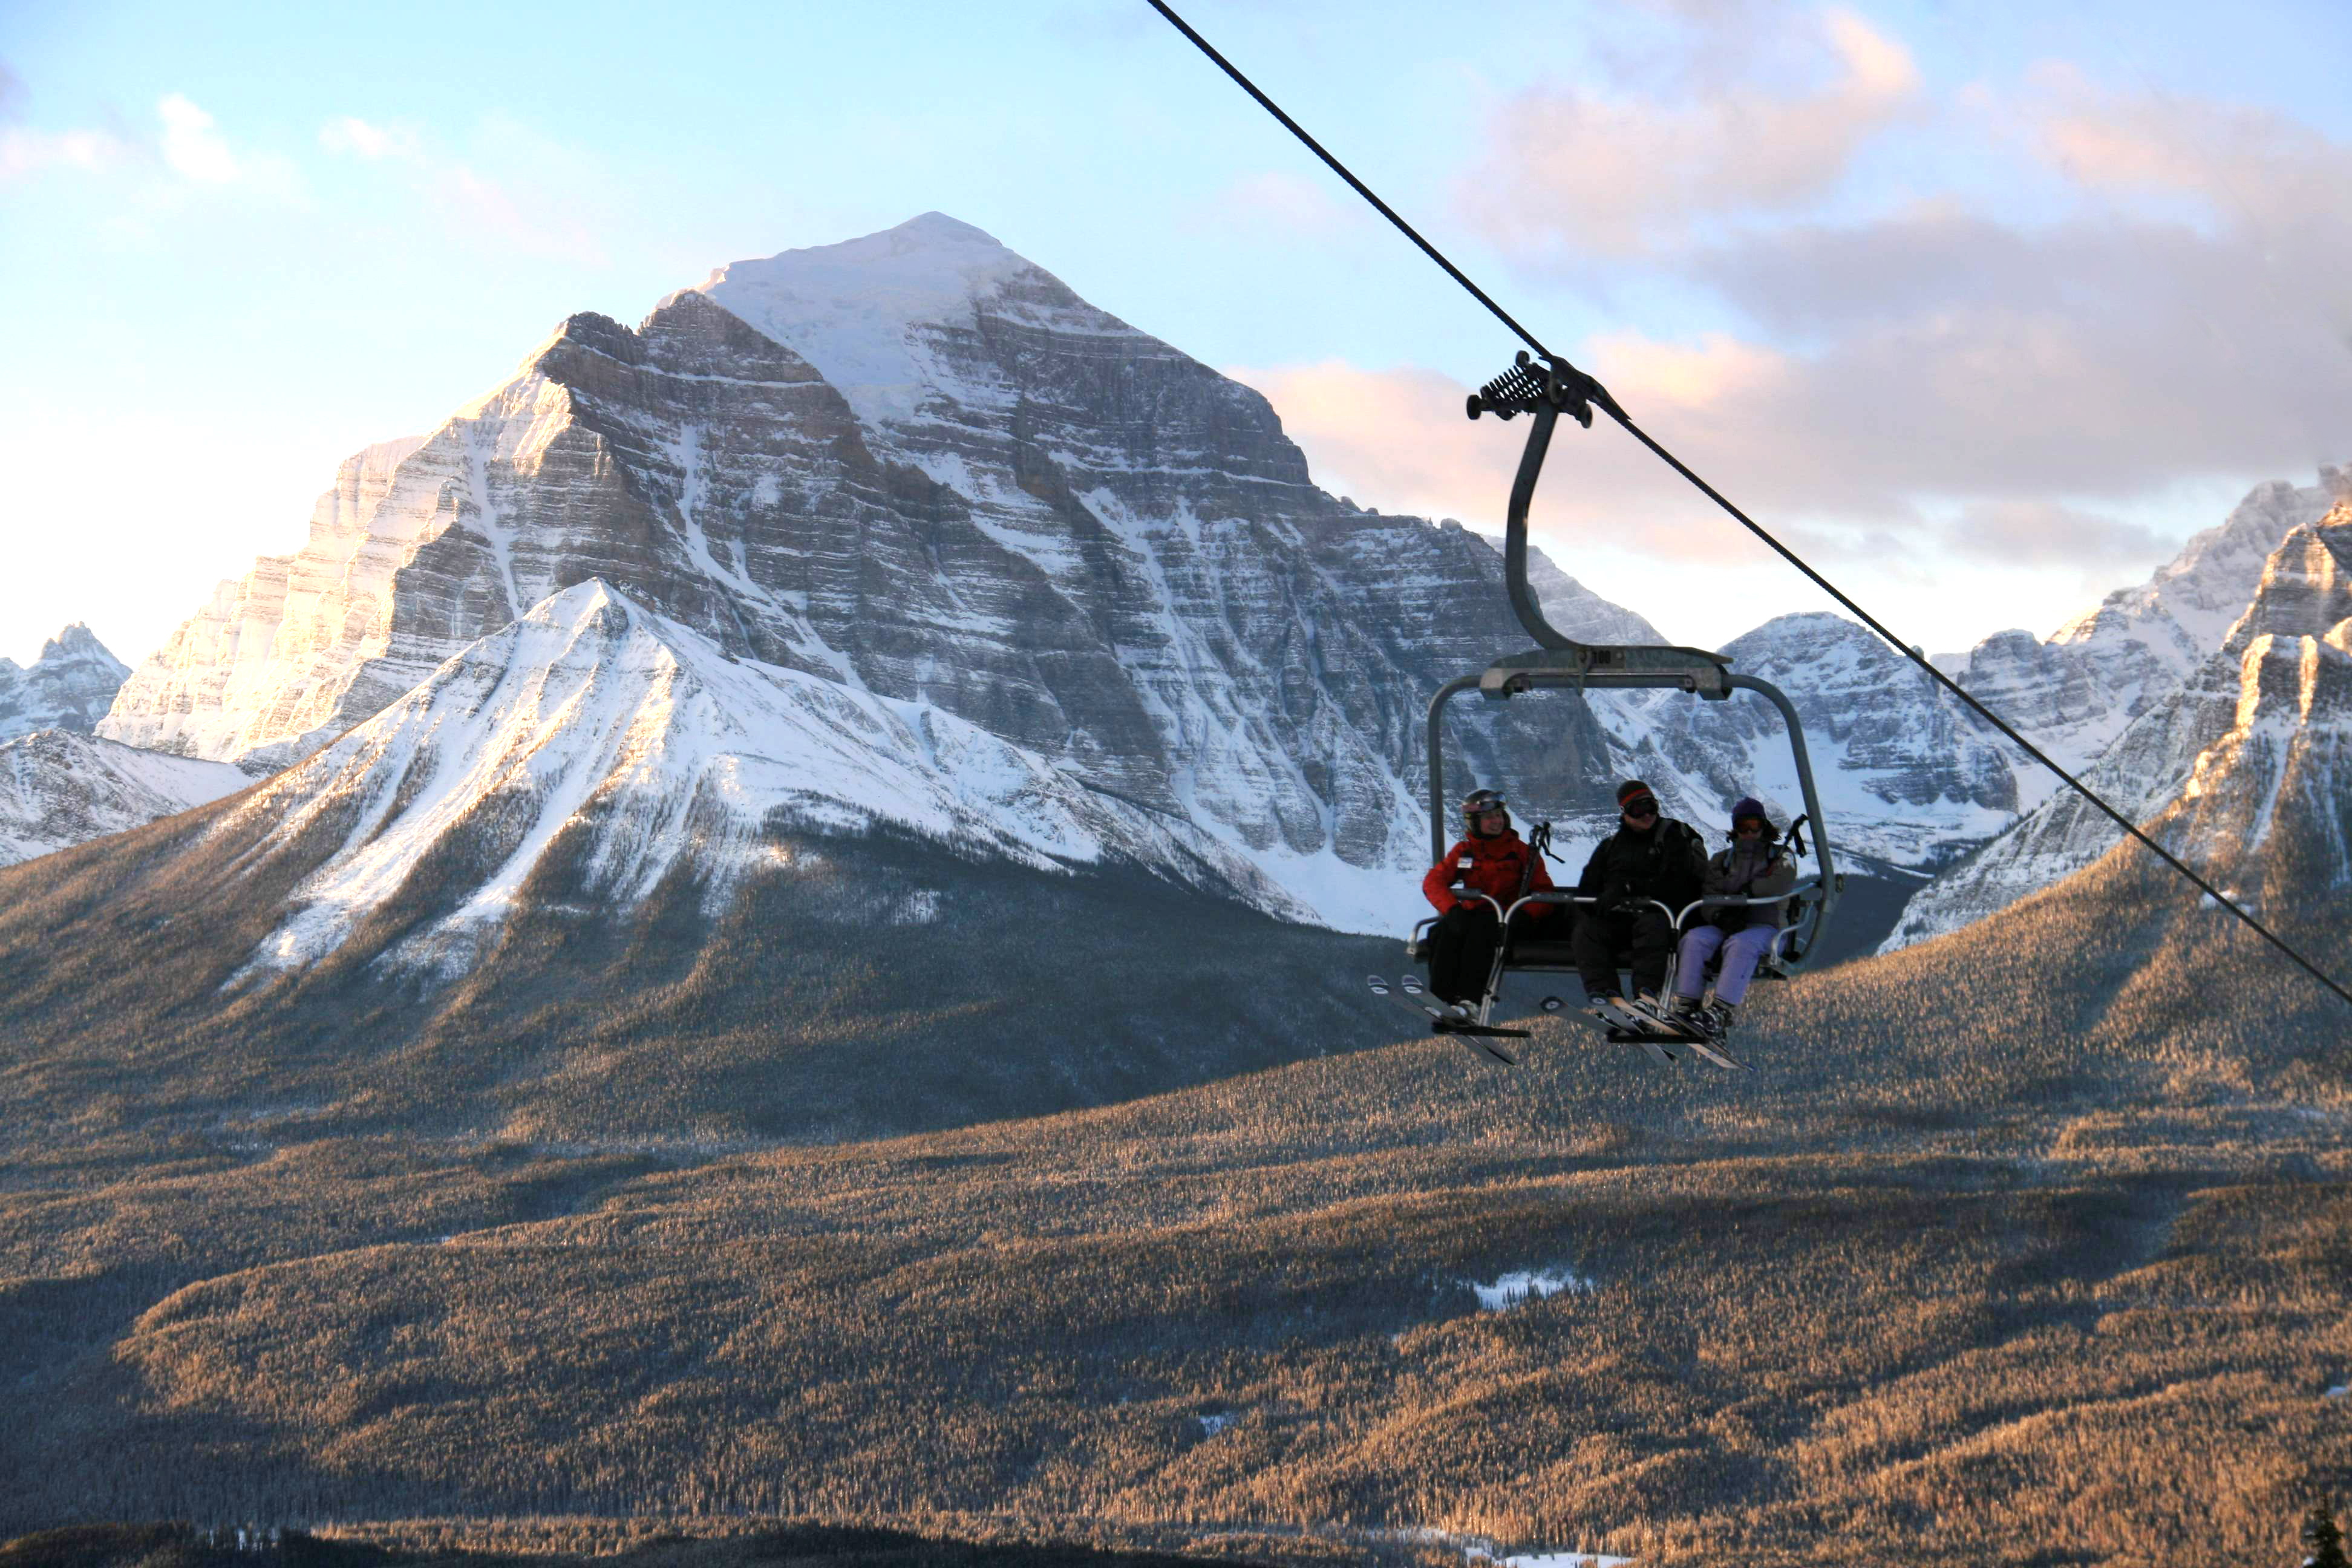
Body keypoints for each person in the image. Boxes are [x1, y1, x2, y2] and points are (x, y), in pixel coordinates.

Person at [1572, 779, 1706, 1022]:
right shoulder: (1612, 846)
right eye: (1638, 809)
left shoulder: (1672, 837)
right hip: (1622, 918)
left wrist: (1629, 888)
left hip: (1666, 916)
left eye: (1651, 807)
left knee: (1651, 926)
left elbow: (1679, 881)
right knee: (1588, 932)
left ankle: (1647, 999)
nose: (1646, 815)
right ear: (1624, 813)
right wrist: (1603, 900)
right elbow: (1587, 888)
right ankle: (1607, 998)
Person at [1668, 796, 1798, 1034]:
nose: (1748, 833)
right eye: (1742, 827)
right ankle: (1688, 1005)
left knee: (1741, 945)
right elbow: (1709, 894)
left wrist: (1749, 892)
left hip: (1767, 928)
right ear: (1735, 829)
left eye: (1754, 826)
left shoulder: (1781, 856)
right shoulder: (1722, 860)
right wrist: (1719, 916)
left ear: (1763, 827)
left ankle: (1721, 1011)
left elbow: (1781, 883)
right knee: (1695, 939)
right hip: (1728, 924)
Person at [1420, 788, 1557, 1009]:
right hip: (1475, 914)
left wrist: (1525, 913)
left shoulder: (1521, 852)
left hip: (1508, 918)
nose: (1496, 822)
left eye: (1499, 816)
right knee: (1442, 932)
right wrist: (1452, 910)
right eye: (1488, 818)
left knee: (1481, 933)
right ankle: (1441, 998)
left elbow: (1544, 891)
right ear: (1474, 822)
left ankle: (1471, 999)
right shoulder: (1466, 852)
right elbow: (1434, 881)